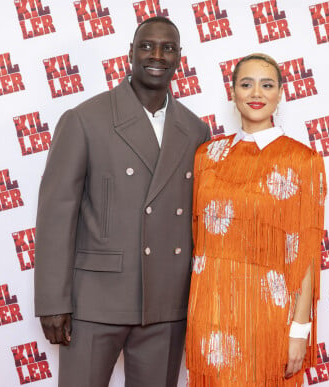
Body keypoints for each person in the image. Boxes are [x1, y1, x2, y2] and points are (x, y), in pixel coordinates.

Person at [34, 16, 208, 387]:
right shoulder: (85, 119)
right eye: (147, 46)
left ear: (180, 58)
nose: (157, 55)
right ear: (130, 53)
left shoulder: (195, 130)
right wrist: (53, 301)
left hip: (166, 302)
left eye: (168, 47)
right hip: (95, 300)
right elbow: (56, 214)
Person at [186, 53, 326, 386]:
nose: (256, 94)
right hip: (210, 309)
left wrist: (299, 329)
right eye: (246, 84)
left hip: (269, 313)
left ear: (280, 93)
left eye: (267, 85)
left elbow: (304, 254)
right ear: (232, 93)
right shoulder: (207, 155)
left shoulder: (302, 160)